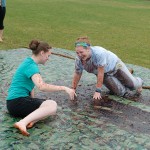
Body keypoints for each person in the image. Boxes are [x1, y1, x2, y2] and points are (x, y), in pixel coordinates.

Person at [6, 40, 76, 136]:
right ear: (42, 53)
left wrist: (32, 100)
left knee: (45, 110)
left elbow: (31, 88)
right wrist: (64, 88)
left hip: (14, 103)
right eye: (48, 55)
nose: (48, 58)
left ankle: (31, 121)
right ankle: (22, 122)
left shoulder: (28, 62)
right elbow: (42, 86)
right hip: (17, 102)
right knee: (52, 105)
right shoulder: (31, 66)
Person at [71, 36, 143, 100]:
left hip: (115, 66)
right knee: (120, 93)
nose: (79, 55)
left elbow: (100, 73)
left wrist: (98, 91)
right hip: (106, 74)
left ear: (88, 49)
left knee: (133, 85)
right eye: (77, 53)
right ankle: (123, 83)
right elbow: (77, 74)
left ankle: (139, 81)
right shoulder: (78, 60)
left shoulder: (99, 53)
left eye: (81, 52)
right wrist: (73, 89)